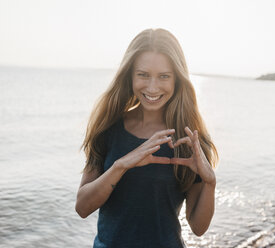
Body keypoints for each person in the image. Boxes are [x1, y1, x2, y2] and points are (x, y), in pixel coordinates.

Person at [75, 28, 219, 248]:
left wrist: (210, 183)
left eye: (164, 76)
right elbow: (83, 207)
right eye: (143, 74)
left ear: (177, 80)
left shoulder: (188, 140)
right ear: (130, 75)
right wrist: (121, 165)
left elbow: (198, 228)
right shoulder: (108, 128)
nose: (152, 87)